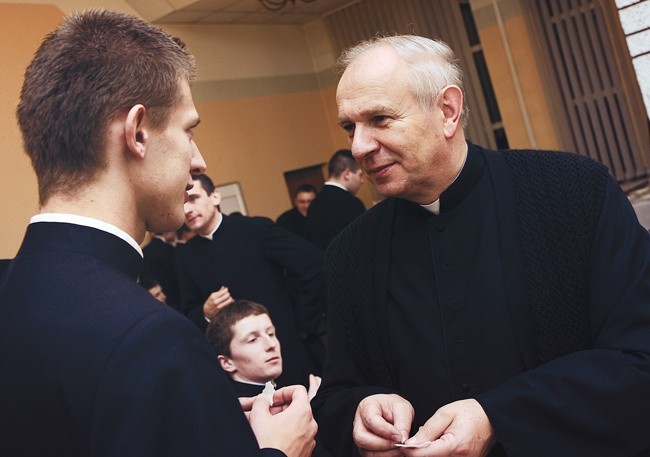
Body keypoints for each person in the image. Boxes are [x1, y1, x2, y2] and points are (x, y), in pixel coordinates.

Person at [311, 35, 650, 457]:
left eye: (379, 119)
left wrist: (499, 417)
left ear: (447, 111)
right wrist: (361, 410)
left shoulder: (574, 193)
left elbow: (637, 357)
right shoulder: (350, 254)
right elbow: (337, 392)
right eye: (350, 127)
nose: (358, 147)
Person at [0, 9, 315, 457]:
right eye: (189, 131)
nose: (199, 161)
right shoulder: (151, 340)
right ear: (138, 133)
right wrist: (279, 451)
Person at [177, 173, 326, 386]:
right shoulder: (185, 256)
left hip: (286, 349)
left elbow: (315, 266)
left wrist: (301, 321)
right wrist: (205, 312)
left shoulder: (256, 230)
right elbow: (187, 312)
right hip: (238, 372)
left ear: (215, 197)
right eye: (182, 203)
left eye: (194, 199)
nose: (187, 209)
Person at [207, 299, 332, 457]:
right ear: (227, 362)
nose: (271, 344)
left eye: (271, 333)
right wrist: (314, 412)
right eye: (252, 340)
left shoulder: (276, 390)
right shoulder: (236, 418)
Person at [306, 149, 365, 249]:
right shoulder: (351, 203)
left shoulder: (314, 204)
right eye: (360, 174)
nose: (362, 181)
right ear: (347, 174)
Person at [140, 231, 181, 310]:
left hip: (151, 300)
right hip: (173, 299)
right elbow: (177, 276)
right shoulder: (168, 249)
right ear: (166, 232)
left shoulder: (143, 252)